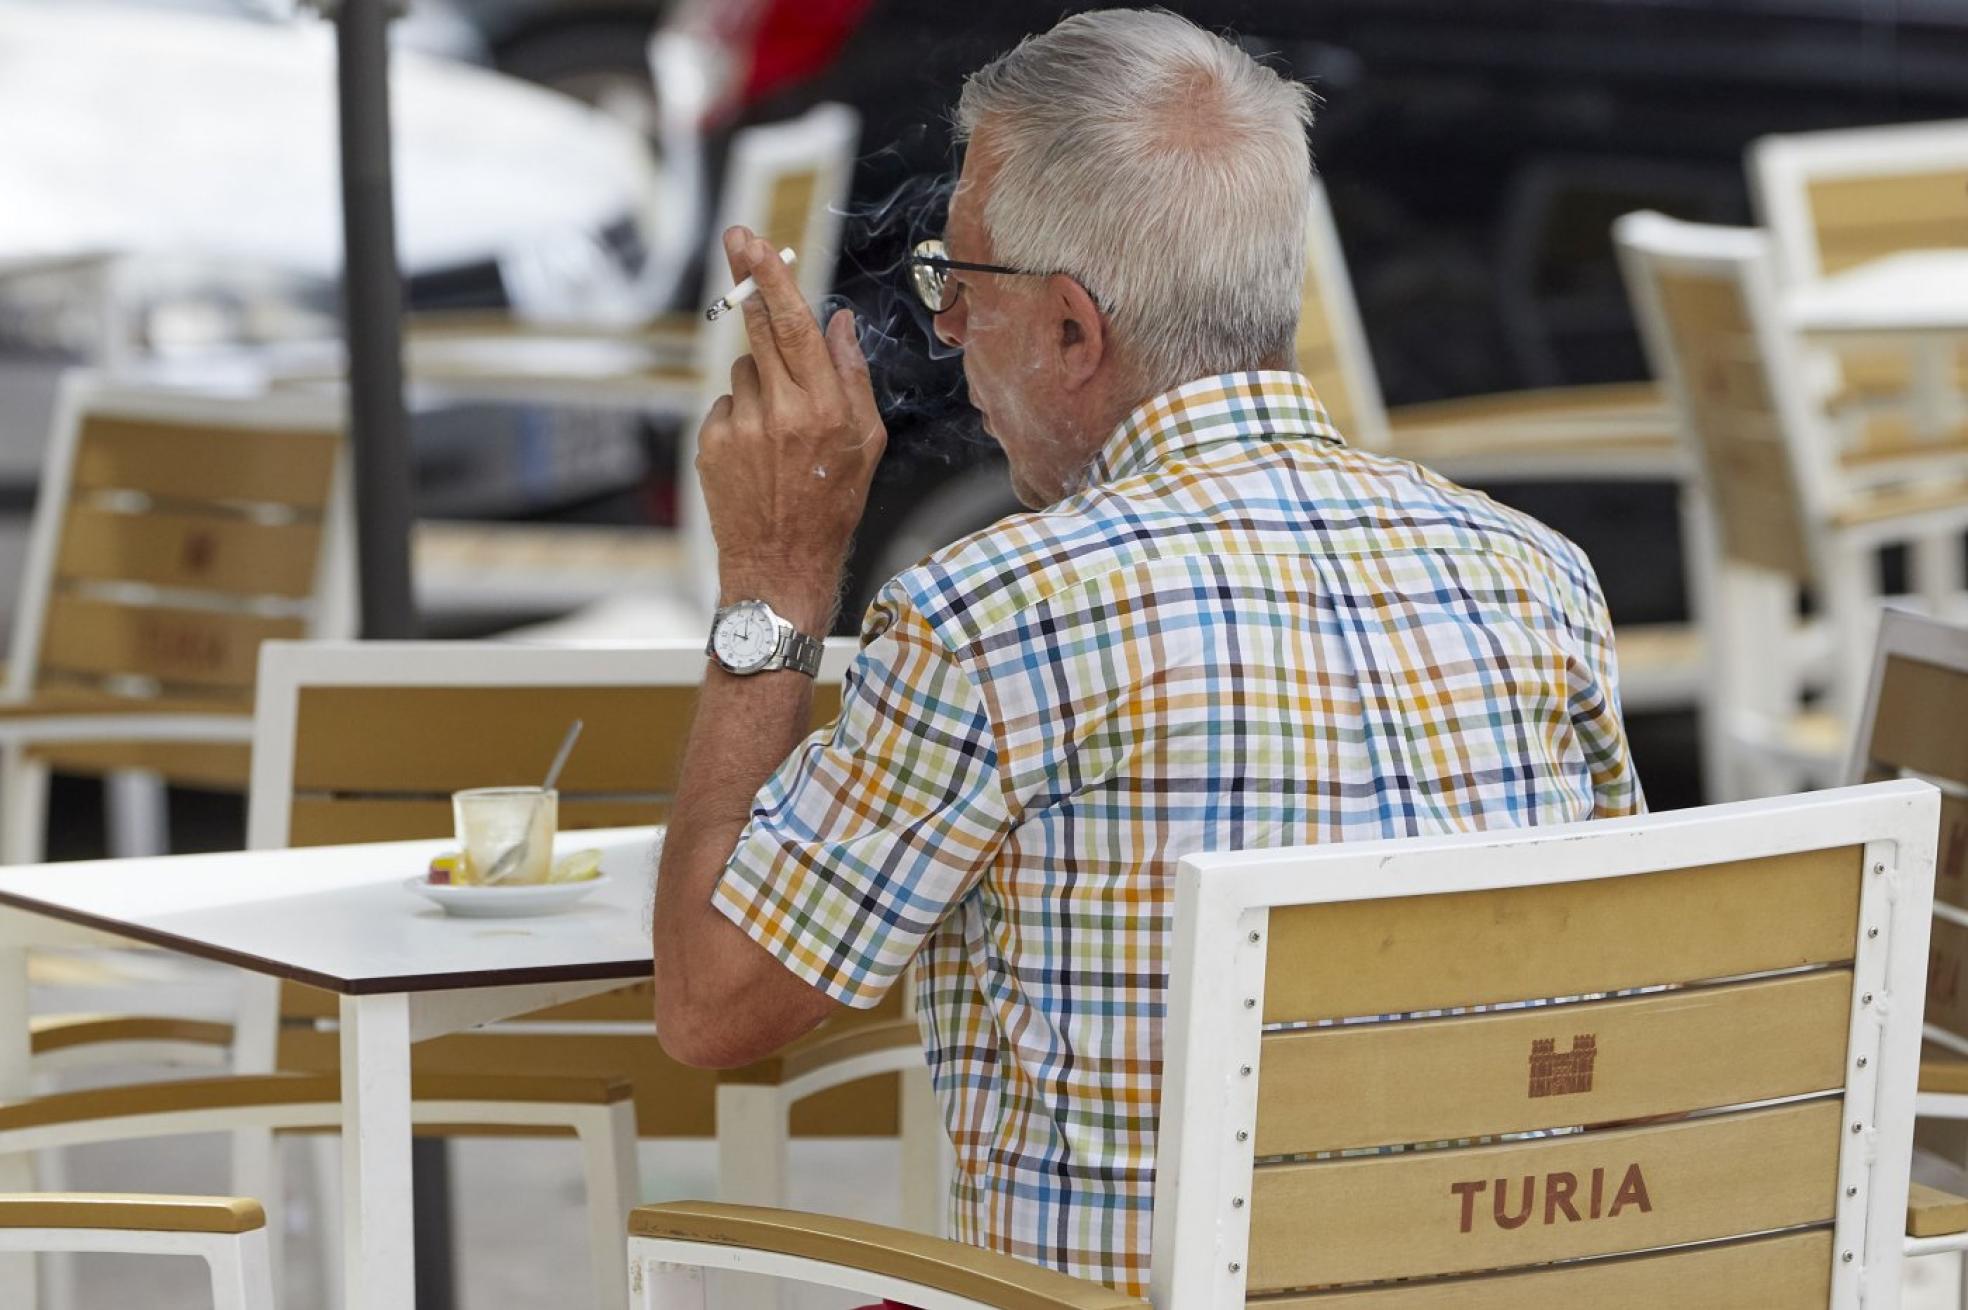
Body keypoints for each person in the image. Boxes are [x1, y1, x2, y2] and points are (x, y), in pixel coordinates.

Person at [649, 8, 1643, 1296]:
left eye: (961, 286)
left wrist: (777, 576)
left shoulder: (993, 618)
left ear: (1073, 330)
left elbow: (714, 1007)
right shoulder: (1537, 577)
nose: (943, 332)